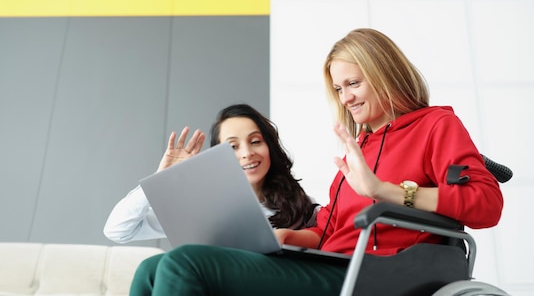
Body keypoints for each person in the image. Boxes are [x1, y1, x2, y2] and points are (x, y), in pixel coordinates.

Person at [131, 28, 504, 295]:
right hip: (328, 263)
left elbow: (486, 205)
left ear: (384, 74)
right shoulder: (361, 146)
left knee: (185, 263)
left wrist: (384, 191)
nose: (346, 99)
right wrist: (289, 237)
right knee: (152, 268)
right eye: (339, 90)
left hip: (372, 274)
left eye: (353, 84)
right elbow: (329, 229)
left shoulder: (435, 125)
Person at [103, 103, 318, 294]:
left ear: (269, 146)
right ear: (218, 154)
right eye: (233, 146)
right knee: (148, 269)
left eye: (255, 141)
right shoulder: (200, 205)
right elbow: (117, 230)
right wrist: (160, 179)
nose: (247, 153)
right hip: (207, 286)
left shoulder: (298, 203)